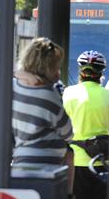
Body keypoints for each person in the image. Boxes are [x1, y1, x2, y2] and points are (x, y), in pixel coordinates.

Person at [62, 50, 109, 199]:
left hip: (78, 160)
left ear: (80, 72)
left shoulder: (69, 93)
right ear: (101, 73)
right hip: (101, 161)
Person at [12, 38, 73, 166]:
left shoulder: (13, 86)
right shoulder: (48, 95)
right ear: (49, 68)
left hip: (19, 157)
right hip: (48, 163)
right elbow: (68, 133)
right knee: (70, 154)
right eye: (57, 66)